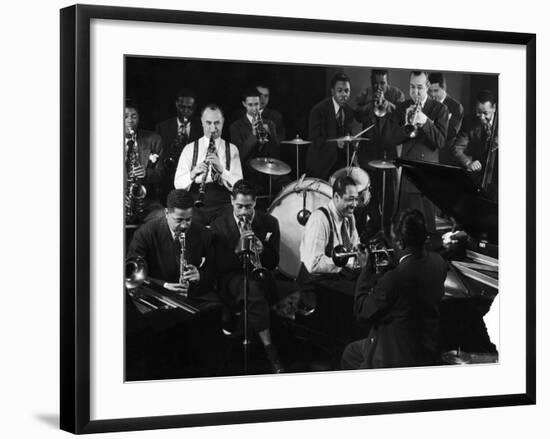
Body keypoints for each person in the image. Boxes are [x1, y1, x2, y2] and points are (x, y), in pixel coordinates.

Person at [341, 209, 447, 369]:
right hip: (424, 349)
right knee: (352, 352)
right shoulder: (438, 262)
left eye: (392, 239)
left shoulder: (394, 279)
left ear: (400, 243)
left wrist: (365, 271)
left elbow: (362, 312)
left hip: (394, 356)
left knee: (349, 355)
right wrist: (395, 264)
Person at [210, 180, 284, 373]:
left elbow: (274, 262)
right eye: (239, 206)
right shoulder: (219, 225)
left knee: (273, 292)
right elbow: (218, 266)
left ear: (256, 202)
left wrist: (263, 249)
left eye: (248, 207)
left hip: (259, 273)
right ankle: (270, 351)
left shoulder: (269, 222)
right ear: (231, 200)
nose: (243, 212)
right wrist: (239, 248)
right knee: (254, 292)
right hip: (230, 276)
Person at [376, 71, 449, 233]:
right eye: (412, 87)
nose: (415, 92)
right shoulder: (402, 107)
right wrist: (406, 124)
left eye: (419, 88)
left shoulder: (440, 109)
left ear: (428, 87)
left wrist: (425, 122)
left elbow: (441, 141)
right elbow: (390, 138)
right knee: (405, 228)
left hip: (427, 177)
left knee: (427, 228)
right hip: (408, 176)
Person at [126, 189, 215, 298]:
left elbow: (215, 269)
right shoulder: (145, 233)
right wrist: (164, 286)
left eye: (188, 219)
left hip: (193, 298)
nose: (184, 225)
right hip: (157, 296)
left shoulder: (203, 233)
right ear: (167, 213)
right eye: (179, 220)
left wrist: (200, 275)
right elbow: (132, 274)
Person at [174, 104, 243, 224]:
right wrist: (193, 174)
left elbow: (240, 186)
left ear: (223, 122)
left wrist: (222, 170)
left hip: (224, 204)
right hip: (196, 203)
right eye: (208, 123)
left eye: (217, 123)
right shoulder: (189, 149)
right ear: (202, 122)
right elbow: (178, 185)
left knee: (228, 225)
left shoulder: (232, 149)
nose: (212, 128)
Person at [299, 175, 366, 297]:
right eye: (350, 199)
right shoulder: (319, 219)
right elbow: (313, 264)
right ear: (336, 197)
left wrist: (361, 254)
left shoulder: (350, 217)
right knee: (357, 296)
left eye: (356, 199)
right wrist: (349, 262)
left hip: (334, 278)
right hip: (314, 284)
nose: (355, 204)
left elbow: (355, 244)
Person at [230, 87, 285, 195]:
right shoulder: (235, 127)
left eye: (257, 104)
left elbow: (276, 153)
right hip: (248, 173)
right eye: (250, 105)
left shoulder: (270, 124)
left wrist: (270, 134)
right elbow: (240, 155)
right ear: (244, 104)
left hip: (268, 172)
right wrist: (253, 135)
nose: (255, 108)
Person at [306, 73, 356, 180]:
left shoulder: (348, 110)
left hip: (341, 165)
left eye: (347, 91)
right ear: (332, 91)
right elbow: (314, 140)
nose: (344, 94)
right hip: (321, 166)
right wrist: (335, 142)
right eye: (340, 91)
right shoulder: (318, 110)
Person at [155, 89, 202, 202]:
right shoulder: (162, 127)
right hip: (168, 180)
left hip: (193, 181)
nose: (185, 111)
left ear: (195, 107)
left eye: (189, 108)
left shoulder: (203, 127)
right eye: (182, 107)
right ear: (176, 105)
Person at [453, 90, 498, 201]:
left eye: (485, 113)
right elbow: (457, 149)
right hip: (479, 179)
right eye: (478, 112)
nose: (481, 117)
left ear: (494, 108)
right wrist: (468, 163)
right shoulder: (469, 121)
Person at [124, 100, 164, 224]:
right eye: (125, 116)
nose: (130, 120)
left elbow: (161, 174)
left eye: (134, 116)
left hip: (146, 203)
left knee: (163, 217)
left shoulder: (153, 140)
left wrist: (146, 173)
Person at [428, 72, 464, 165]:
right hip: (429, 155)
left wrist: (431, 127)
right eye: (430, 91)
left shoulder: (456, 107)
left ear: (444, 88)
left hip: (447, 157)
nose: (432, 95)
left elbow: (452, 133)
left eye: (436, 91)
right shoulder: (428, 105)